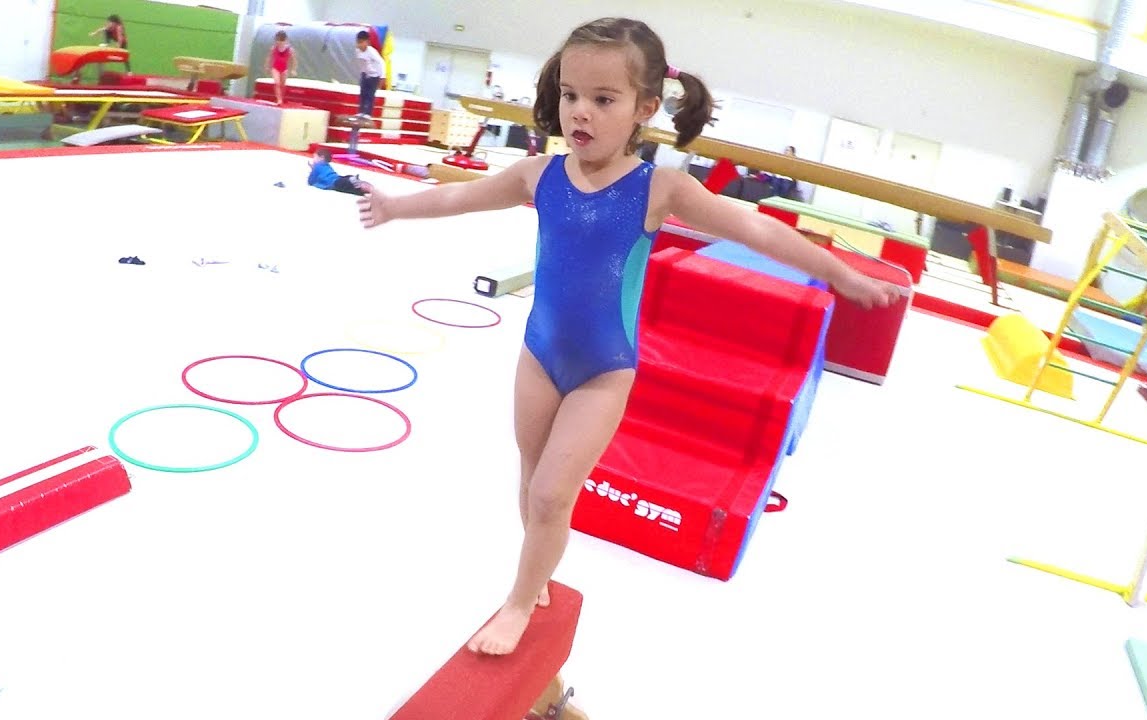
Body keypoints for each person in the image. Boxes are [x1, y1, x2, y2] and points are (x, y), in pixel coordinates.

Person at [355, 16, 904, 656]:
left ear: (645, 108)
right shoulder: (539, 175)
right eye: (570, 96)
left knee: (553, 491)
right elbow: (465, 197)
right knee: (531, 481)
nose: (580, 113)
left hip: (603, 370)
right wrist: (395, 206)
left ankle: (517, 602)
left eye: (603, 99)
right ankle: (536, 579)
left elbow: (760, 232)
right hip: (539, 355)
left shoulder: (660, 189)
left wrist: (838, 273)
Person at [354, 30, 385, 119]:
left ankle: (368, 113)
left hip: (374, 75)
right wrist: (362, 73)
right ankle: (361, 111)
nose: (359, 45)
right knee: (363, 93)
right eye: (358, 42)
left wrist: (382, 77)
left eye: (361, 42)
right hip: (365, 74)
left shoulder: (372, 52)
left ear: (367, 42)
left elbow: (381, 63)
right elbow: (361, 63)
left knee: (370, 94)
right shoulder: (357, 51)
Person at [269, 31, 297, 105]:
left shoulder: (290, 50)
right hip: (275, 68)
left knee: (282, 85)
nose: (279, 42)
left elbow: (294, 60)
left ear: (285, 40)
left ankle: (281, 98)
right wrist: (267, 66)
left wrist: (294, 69)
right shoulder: (273, 48)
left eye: (281, 40)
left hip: (284, 69)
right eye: (277, 40)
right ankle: (279, 99)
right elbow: (269, 58)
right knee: (277, 83)